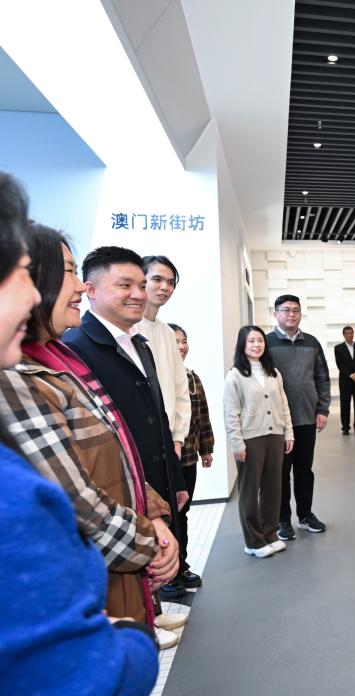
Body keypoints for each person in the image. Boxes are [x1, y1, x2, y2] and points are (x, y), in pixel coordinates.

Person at [0, 171, 159, 693]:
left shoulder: (62, 358)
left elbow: (114, 447)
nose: (82, 287)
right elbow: (77, 501)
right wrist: (131, 639)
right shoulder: (24, 379)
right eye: (23, 272)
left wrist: (152, 510)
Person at [62, 246, 190, 642]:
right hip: (117, 477)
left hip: (152, 468)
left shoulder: (142, 342)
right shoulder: (76, 346)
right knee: (129, 557)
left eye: (140, 284)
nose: (138, 293)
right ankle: (139, 624)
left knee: (158, 549)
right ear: (92, 289)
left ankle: (152, 612)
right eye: (125, 285)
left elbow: (157, 415)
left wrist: (174, 478)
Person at [139, 255, 193, 599]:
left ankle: (163, 593)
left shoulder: (164, 333)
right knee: (149, 521)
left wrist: (177, 437)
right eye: (157, 279)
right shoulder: (129, 332)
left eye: (170, 282)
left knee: (173, 513)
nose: (164, 287)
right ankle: (152, 602)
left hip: (168, 445)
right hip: (142, 446)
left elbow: (178, 389)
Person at [224, 326, 294, 558]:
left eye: (260, 340)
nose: (257, 345)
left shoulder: (273, 372)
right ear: (243, 345)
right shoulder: (235, 375)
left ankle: (270, 534)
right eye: (251, 341)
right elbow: (230, 412)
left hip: (275, 435)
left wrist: (289, 433)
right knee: (249, 491)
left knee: (273, 489)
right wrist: (237, 444)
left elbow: (283, 405)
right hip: (250, 438)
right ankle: (253, 541)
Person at [265, 295, 330, 540]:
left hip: (307, 418)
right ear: (276, 314)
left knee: (305, 470)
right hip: (279, 423)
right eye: (285, 310)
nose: (291, 315)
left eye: (295, 310)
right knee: (281, 473)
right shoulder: (267, 343)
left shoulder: (311, 343)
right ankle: (283, 520)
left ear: (301, 314)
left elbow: (322, 378)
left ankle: (305, 515)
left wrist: (322, 410)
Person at [169, 323, 215, 587]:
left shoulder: (192, 378)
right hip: (168, 461)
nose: (181, 347)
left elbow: (202, 417)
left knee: (184, 513)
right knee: (169, 515)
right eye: (175, 342)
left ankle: (181, 566)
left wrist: (206, 449)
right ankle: (169, 575)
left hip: (188, 459)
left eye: (183, 341)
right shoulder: (159, 378)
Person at [334, 326, 355, 435]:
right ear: (344, 334)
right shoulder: (338, 348)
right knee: (345, 405)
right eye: (347, 333)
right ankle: (345, 427)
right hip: (346, 380)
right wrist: (350, 374)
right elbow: (340, 364)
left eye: (351, 333)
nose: (350, 335)